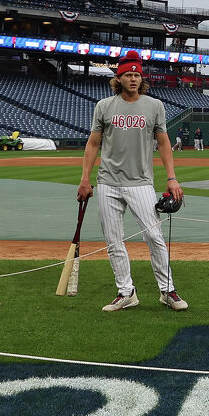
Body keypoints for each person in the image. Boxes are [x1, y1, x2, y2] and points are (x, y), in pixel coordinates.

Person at [77, 57, 187, 312]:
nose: (134, 79)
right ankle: (126, 292)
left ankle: (167, 290)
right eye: (128, 75)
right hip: (108, 182)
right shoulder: (104, 106)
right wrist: (85, 179)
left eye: (138, 76)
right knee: (113, 240)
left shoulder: (154, 105)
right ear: (119, 79)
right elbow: (93, 144)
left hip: (140, 183)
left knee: (154, 236)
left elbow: (163, 143)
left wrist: (172, 178)